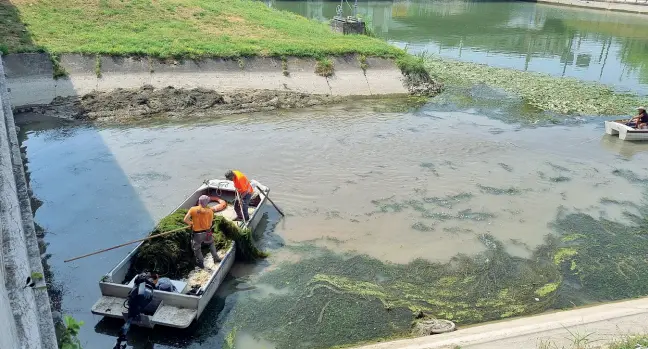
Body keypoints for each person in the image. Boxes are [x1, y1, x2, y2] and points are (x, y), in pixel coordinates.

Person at [183, 195, 222, 268]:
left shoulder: (192, 209)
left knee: (197, 248)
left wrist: (191, 223)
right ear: (207, 203)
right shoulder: (210, 211)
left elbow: (185, 220)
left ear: (199, 201)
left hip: (197, 234)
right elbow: (210, 224)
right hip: (207, 232)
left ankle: (201, 263)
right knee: (211, 244)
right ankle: (216, 258)